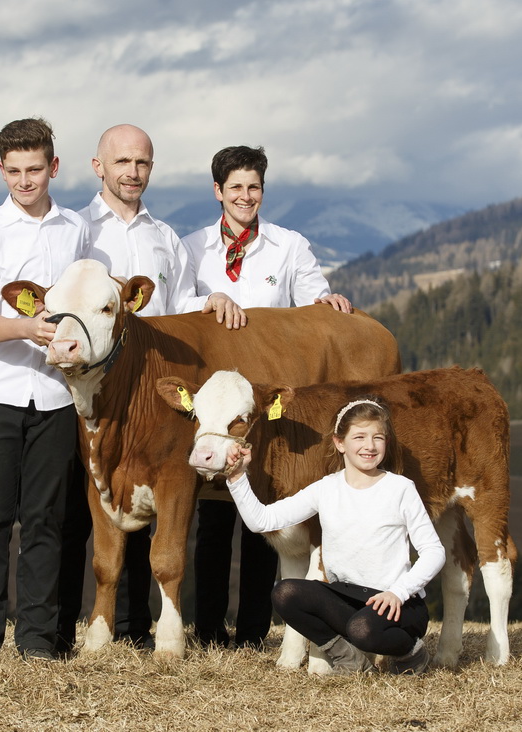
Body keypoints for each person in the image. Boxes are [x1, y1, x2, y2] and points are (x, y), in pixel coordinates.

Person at [56, 124, 248, 654]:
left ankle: (138, 626)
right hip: (95, 387)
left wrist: (213, 301)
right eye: (121, 162)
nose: (132, 172)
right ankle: (72, 622)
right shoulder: (77, 232)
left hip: (152, 391)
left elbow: (184, 307)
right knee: (93, 501)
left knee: (151, 495)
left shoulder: (164, 239)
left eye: (141, 163)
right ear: (99, 167)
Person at [181, 145, 351, 650]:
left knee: (266, 519)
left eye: (253, 187)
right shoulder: (191, 248)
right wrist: (205, 300)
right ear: (218, 192)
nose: (245, 196)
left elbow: (311, 301)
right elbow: (173, 309)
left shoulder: (288, 245)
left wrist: (327, 302)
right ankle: (209, 628)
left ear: (262, 190)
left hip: (268, 409)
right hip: (216, 407)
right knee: (212, 520)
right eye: (235, 187)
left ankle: (255, 630)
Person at [0, 117, 91, 661]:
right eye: (14, 171)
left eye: (35, 169)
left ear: (53, 167)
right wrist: (28, 328)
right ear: (1, 169)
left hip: (57, 398)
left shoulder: (76, 230)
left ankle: (37, 642)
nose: (25, 181)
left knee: (46, 523)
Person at [223, 397, 446, 675]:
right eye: (360, 437)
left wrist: (398, 593)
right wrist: (237, 478)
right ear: (339, 443)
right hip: (346, 595)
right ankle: (348, 659)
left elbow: (434, 551)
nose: (370, 445)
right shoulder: (326, 489)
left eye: (378, 437)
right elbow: (262, 521)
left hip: (398, 603)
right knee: (285, 593)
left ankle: (411, 652)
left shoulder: (400, 488)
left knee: (363, 629)